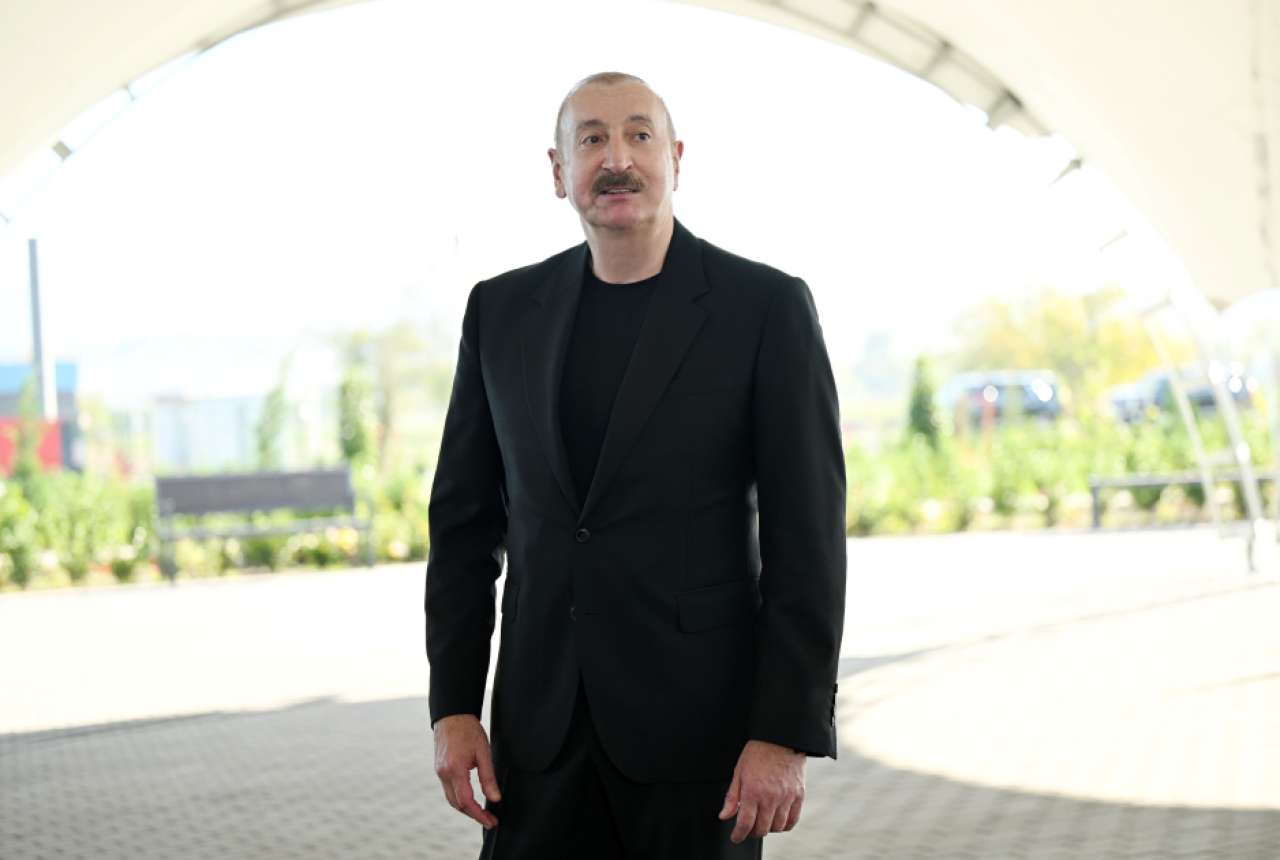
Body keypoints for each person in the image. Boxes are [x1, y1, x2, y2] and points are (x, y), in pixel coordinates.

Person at [425, 71, 847, 858]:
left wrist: (785, 733)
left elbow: (808, 541)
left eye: (638, 135)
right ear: (559, 172)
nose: (616, 158)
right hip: (537, 740)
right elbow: (462, 527)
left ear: (675, 158)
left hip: (701, 743)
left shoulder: (764, 308)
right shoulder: (500, 312)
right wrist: (453, 707)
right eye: (590, 139)